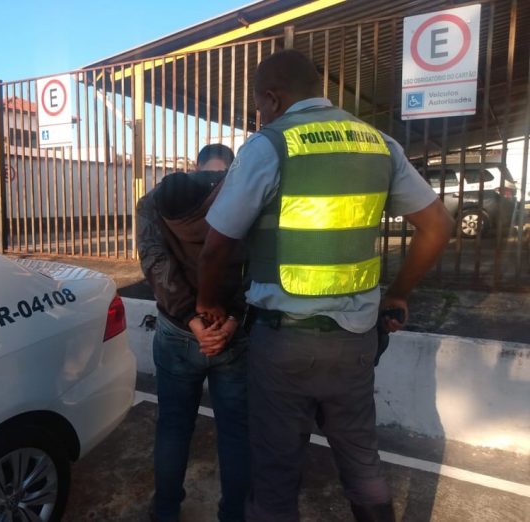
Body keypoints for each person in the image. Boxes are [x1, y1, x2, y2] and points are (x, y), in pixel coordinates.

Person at [195, 50, 454, 522]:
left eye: (259, 105)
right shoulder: (379, 143)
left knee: (275, 472)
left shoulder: (269, 145)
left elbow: (216, 247)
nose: (260, 114)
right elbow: (437, 226)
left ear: (272, 98)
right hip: (355, 341)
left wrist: (207, 301)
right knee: (362, 460)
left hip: (284, 343)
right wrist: (398, 293)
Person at [137, 144, 250, 522]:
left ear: (195, 167)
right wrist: (232, 319)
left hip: (176, 331)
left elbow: (155, 263)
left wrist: (191, 319)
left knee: (173, 426)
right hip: (232, 334)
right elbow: (259, 266)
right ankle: (234, 514)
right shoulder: (247, 198)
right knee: (235, 431)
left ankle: (166, 511)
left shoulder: (154, 201)